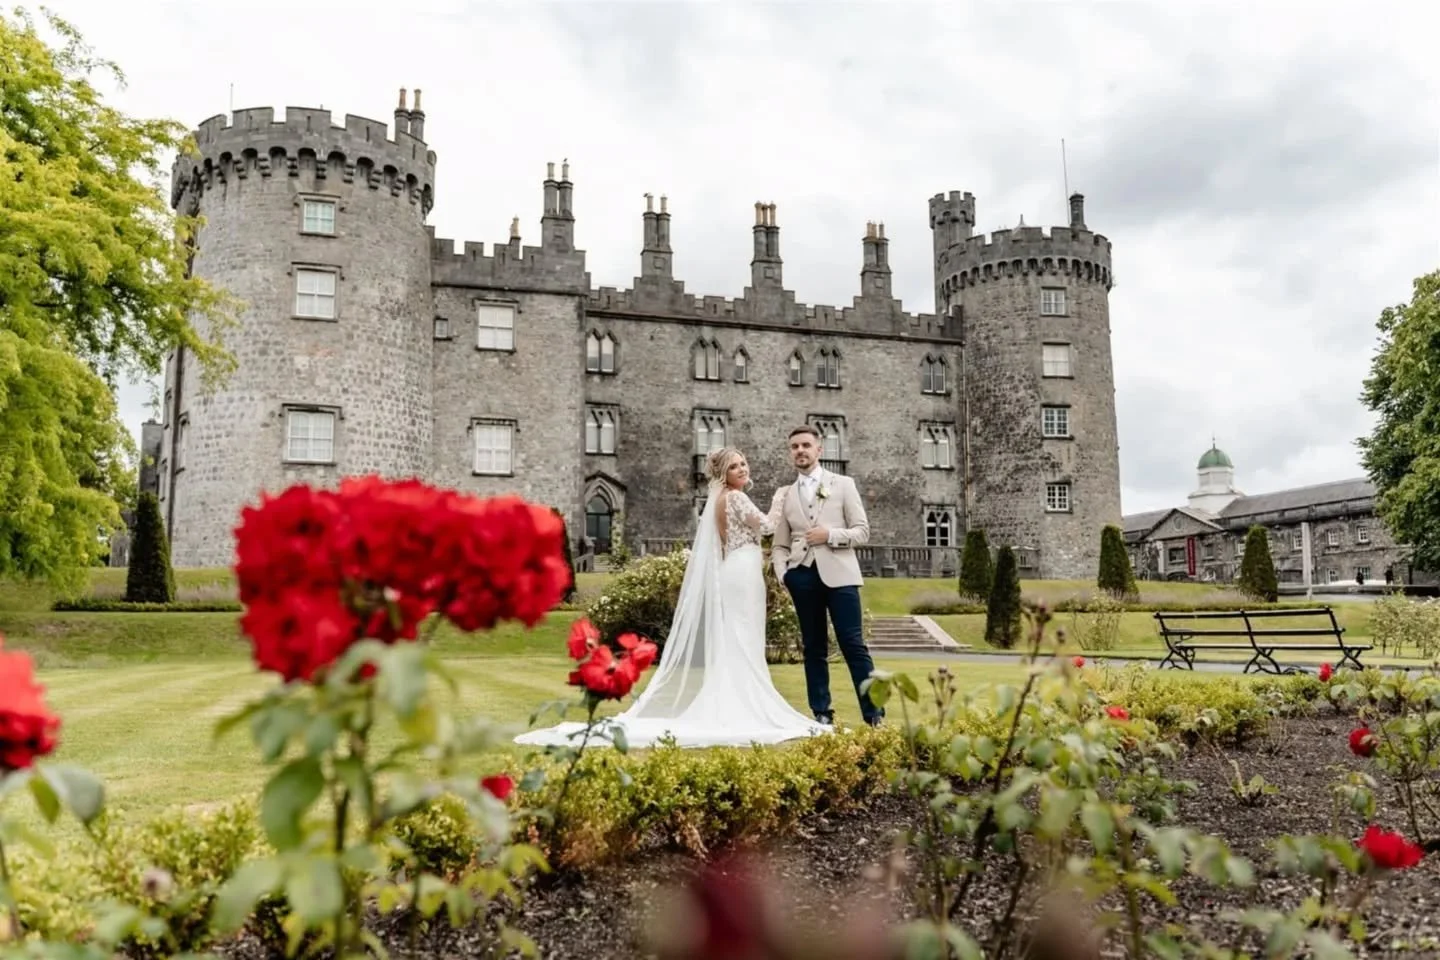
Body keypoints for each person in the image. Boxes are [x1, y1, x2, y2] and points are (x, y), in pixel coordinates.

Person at [515, 447, 829, 749]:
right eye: (734, 466)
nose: (743, 469)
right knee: (744, 635)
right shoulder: (737, 497)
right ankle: (745, 702)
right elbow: (769, 525)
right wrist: (779, 497)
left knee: (737, 635)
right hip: (744, 570)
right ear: (723, 474)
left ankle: (731, 698)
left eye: (743, 463)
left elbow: (724, 543)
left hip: (734, 568)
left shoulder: (718, 501)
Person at [771, 425, 884, 727]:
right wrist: (784, 574)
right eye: (794, 446)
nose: (800, 451)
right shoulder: (785, 494)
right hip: (802, 576)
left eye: (806, 445)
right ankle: (821, 713)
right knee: (813, 646)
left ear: (819, 450)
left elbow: (862, 531)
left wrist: (829, 535)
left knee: (853, 644)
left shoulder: (843, 484)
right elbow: (779, 544)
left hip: (841, 575)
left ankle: (874, 715)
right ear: (790, 452)